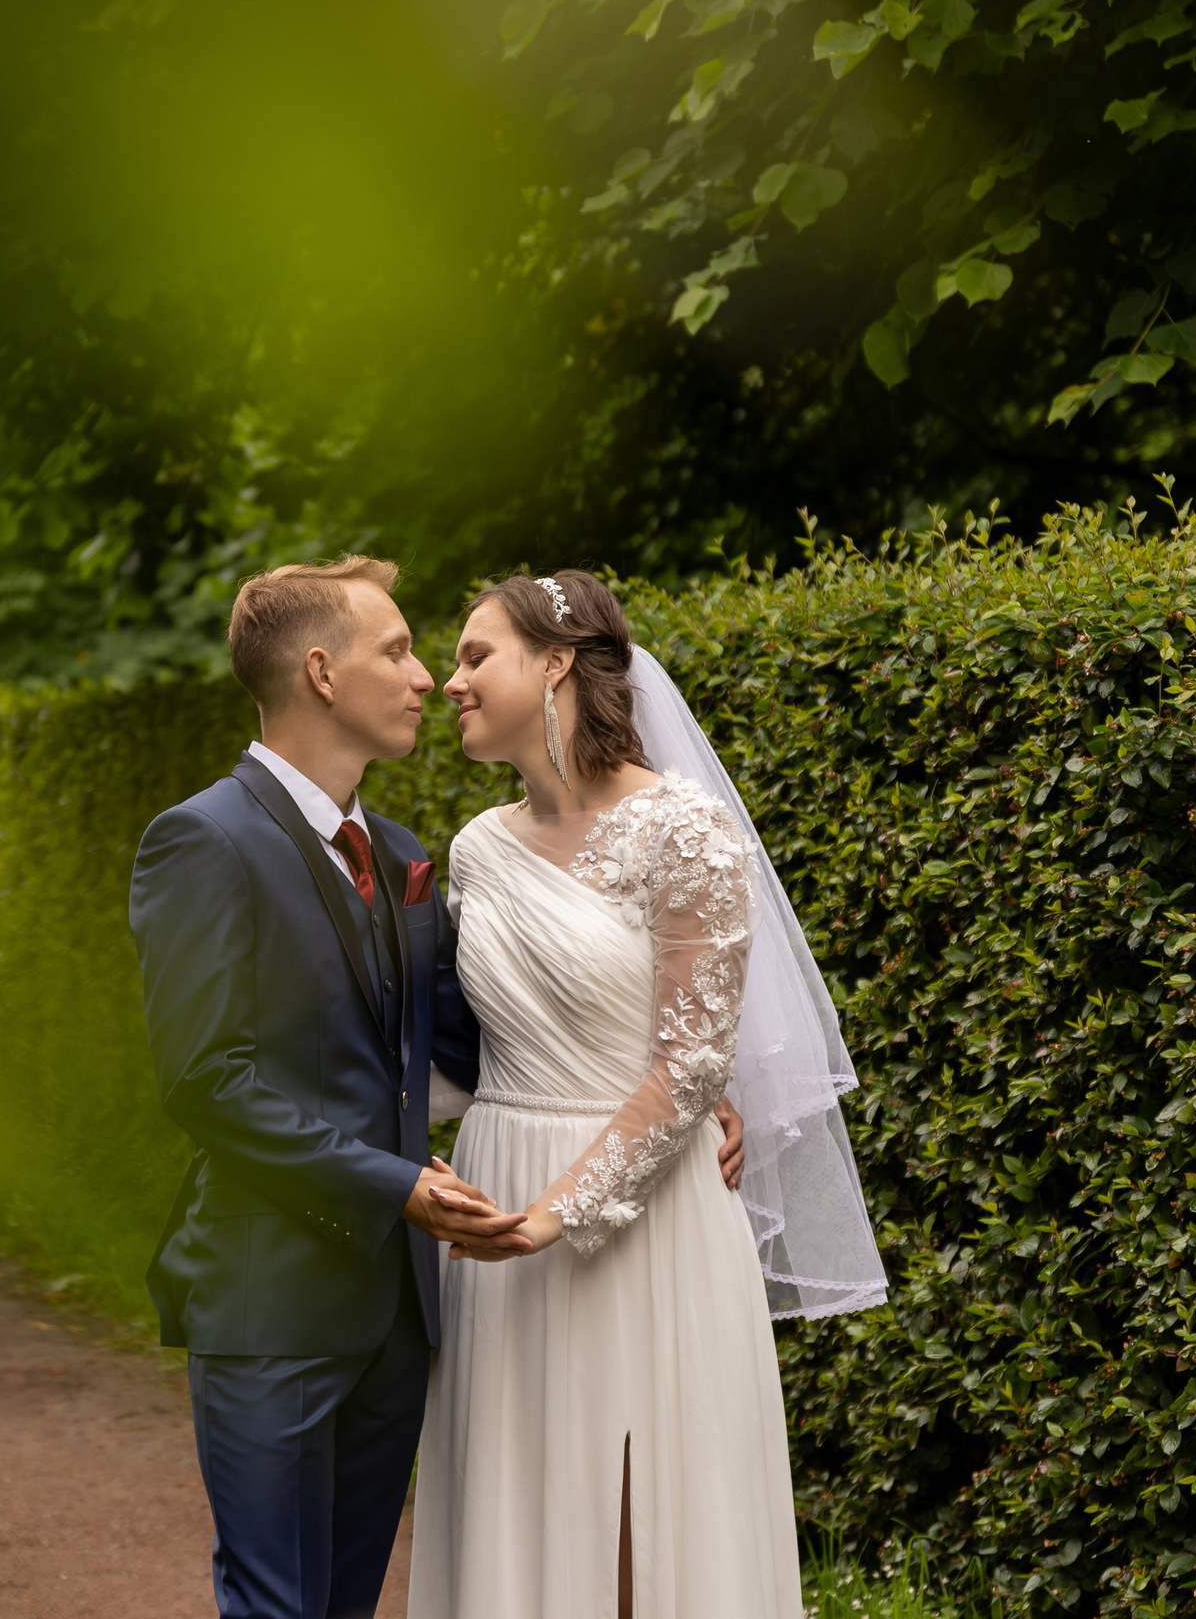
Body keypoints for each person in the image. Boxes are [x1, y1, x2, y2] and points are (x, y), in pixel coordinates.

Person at [127, 555, 749, 1619]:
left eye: (452, 653)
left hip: (405, 1309)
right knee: (277, 1602)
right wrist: (396, 1184)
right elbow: (204, 1078)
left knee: (352, 1598)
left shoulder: (405, 853)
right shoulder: (204, 837)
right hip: (267, 1292)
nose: (428, 677)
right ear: (321, 672)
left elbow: (458, 1046)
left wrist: (680, 1082)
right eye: (402, 649)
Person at [408, 570, 889, 1619]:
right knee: (516, 1501)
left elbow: (685, 1065)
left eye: (474, 654)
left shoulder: (687, 831)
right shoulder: (476, 851)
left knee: (647, 1527)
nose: (449, 682)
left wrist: (552, 1215)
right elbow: (471, 1049)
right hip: (496, 1201)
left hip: (642, 1219)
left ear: (556, 663)